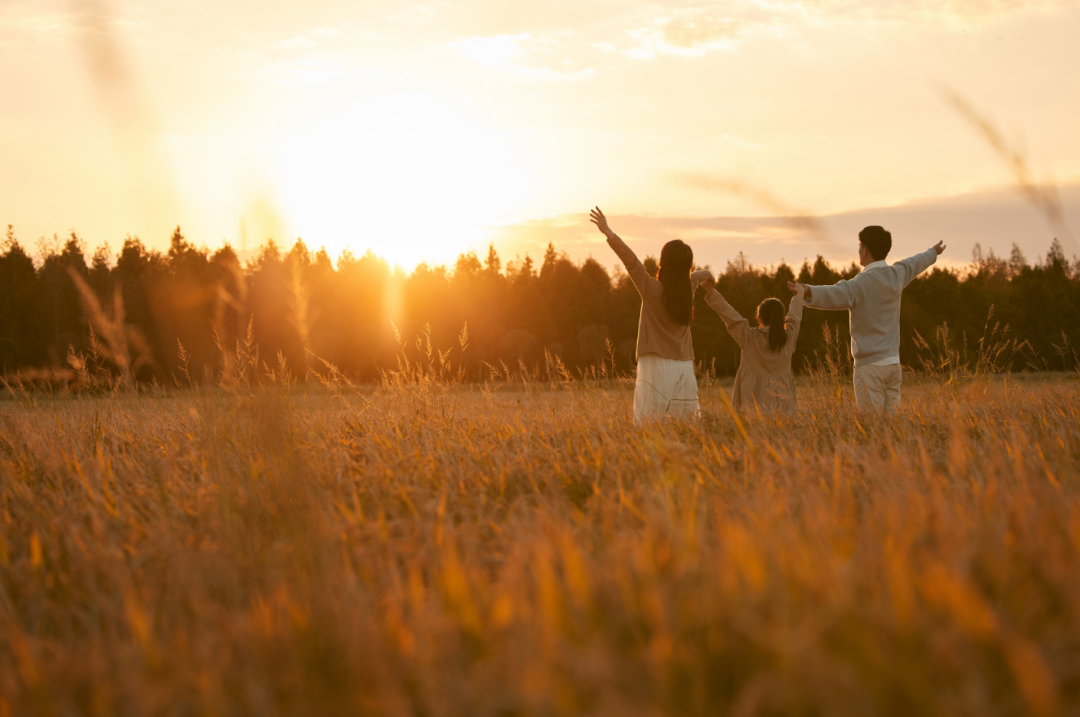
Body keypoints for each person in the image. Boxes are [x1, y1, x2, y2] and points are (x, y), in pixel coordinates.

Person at [787, 226, 946, 411]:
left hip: (870, 368)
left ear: (865, 249)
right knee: (892, 428)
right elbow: (916, 262)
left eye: (860, 246)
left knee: (873, 428)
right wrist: (933, 252)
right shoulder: (897, 275)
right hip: (893, 365)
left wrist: (805, 290)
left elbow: (834, 293)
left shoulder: (859, 285)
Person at [590, 207, 714, 423]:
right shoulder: (691, 287)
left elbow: (632, 262)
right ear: (688, 266)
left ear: (662, 262)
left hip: (655, 363)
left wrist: (609, 233)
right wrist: (711, 284)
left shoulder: (651, 289)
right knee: (685, 423)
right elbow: (706, 275)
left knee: (652, 423)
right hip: (684, 364)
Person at [702, 281, 804, 412]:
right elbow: (795, 317)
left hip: (751, 402)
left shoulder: (748, 337)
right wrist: (799, 294)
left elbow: (729, 315)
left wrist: (710, 291)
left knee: (751, 431)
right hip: (782, 403)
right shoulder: (789, 337)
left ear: (759, 318)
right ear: (782, 318)